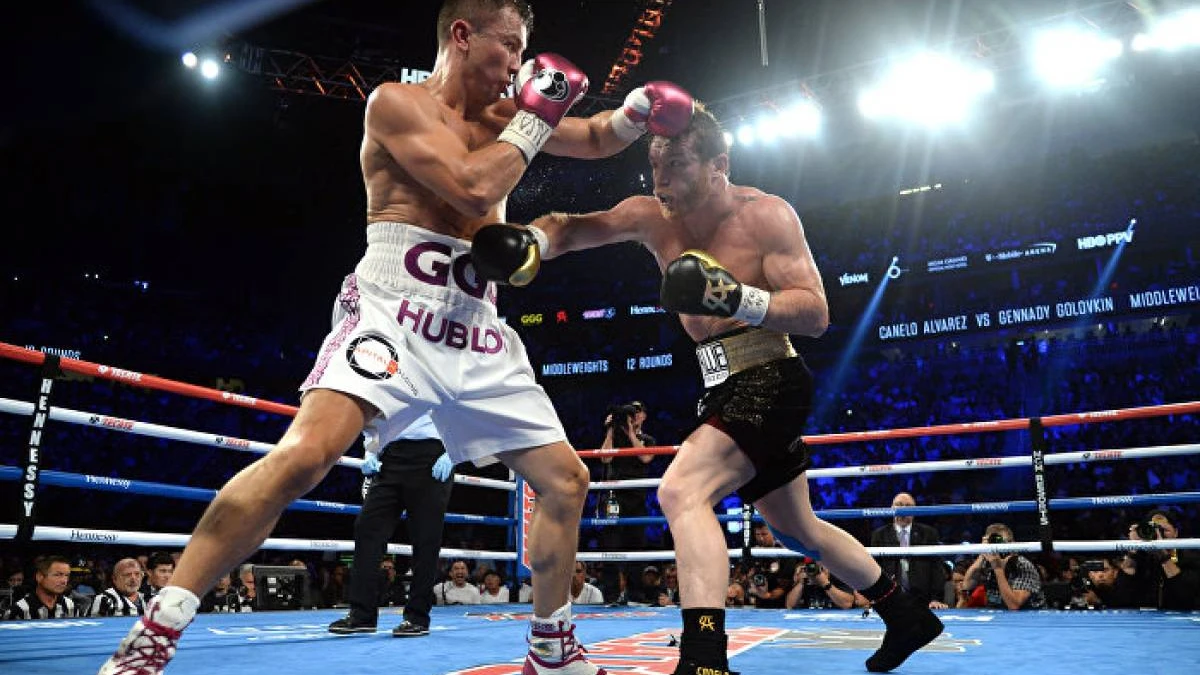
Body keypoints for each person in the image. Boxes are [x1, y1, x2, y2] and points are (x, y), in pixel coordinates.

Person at [98, 0, 691, 673]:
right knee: (305, 455)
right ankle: (156, 631)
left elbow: (594, 136)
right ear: (462, 35)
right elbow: (472, 188)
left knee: (566, 480)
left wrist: (637, 111)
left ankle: (550, 650)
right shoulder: (395, 104)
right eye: (508, 45)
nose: (518, 64)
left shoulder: (507, 116)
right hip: (393, 309)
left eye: (525, 51)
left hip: (475, 321)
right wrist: (536, 115)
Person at [476, 104, 943, 674]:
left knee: (681, 491)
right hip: (719, 381)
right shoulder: (651, 216)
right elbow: (574, 227)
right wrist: (531, 240)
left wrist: (735, 297)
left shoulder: (765, 215)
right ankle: (906, 614)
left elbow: (816, 313)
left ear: (718, 165)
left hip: (770, 375)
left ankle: (703, 658)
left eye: (675, 165)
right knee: (797, 530)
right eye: (654, 165)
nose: (660, 179)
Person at [328, 413, 454, 637]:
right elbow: (375, 414)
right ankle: (361, 615)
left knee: (425, 538)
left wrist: (453, 453)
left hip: (432, 454)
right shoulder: (390, 386)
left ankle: (417, 617)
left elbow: (464, 410)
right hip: (390, 454)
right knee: (367, 528)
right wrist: (370, 451)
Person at [869, 492, 947, 608]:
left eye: (908, 506)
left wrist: (936, 599)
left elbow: (937, 569)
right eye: (899, 505)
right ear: (892, 508)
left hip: (922, 599)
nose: (903, 510)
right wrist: (874, 597)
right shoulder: (880, 535)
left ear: (915, 510)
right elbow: (874, 569)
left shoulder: (928, 533)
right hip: (889, 598)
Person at [6, 555, 78, 620]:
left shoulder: (71, 606)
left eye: (66, 575)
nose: (64, 581)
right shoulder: (18, 610)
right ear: (40, 577)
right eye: (58, 575)